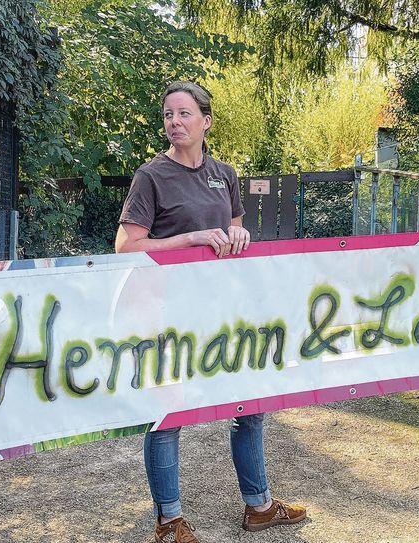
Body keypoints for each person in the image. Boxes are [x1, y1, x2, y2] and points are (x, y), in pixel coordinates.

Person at [115, 81, 307, 543]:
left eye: (184, 114)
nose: (175, 123)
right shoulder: (150, 176)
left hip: (222, 311)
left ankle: (259, 506)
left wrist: (237, 238)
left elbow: (235, 232)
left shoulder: (225, 174)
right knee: (169, 412)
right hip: (166, 313)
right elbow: (125, 247)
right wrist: (188, 240)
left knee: (250, 405)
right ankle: (169, 521)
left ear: (206, 121)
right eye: (168, 115)